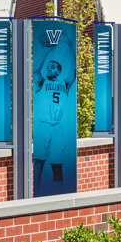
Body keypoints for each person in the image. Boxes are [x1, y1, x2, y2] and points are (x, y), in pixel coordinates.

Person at [32, 52, 76, 189]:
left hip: (58, 126)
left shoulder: (64, 83)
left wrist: (70, 46)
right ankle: (37, 188)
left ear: (59, 71)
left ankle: (60, 190)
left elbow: (73, 70)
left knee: (57, 163)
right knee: (39, 161)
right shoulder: (41, 82)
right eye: (48, 67)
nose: (49, 68)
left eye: (52, 67)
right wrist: (47, 52)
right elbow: (36, 70)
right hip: (42, 125)